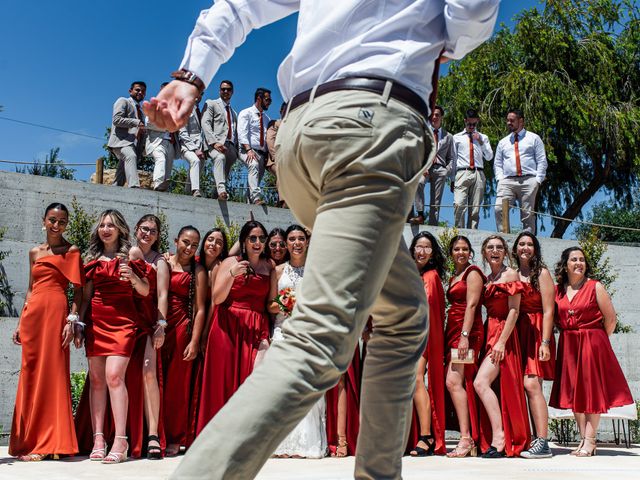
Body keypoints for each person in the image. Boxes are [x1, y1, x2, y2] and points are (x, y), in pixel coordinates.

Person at [143, 2, 499, 478]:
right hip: (370, 128)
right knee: (322, 335)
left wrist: (192, 73)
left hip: (299, 142)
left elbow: (239, 6)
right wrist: (450, 39)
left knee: (405, 313)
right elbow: (468, 15)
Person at [9, 203, 84, 461]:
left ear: (66, 224)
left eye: (62, 221)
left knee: (52, 375)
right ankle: (29, 440)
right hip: (34, 317)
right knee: (30, 375)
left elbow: (79, 291)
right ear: (44, 220)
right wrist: (20, 322)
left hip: (56, 314)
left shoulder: (71, 250)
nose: (56, 225)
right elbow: (30, 290)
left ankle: (50, 442)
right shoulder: (34, 252)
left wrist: (71, 320)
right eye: (52, 220)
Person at [78, 209, 150, 464]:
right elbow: (85, 297)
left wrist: (132, 278)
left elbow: (145, 290)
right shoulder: (92, 257)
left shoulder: (131, 254)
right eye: (102, 225)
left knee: (114, 376)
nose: (105, 229)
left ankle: (121, 441)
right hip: (96, 321)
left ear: (120, 229)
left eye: (111, 225)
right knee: (97, 380)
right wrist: (78, 322)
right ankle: (99, 439)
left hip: (123, 322)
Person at [549, 247, 633, 457]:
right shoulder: (558, 290)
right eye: (574, 259)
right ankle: (583, 439)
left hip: (592, 342)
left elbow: (611, 319)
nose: (579, 263)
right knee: (574, 393)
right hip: (568, 343)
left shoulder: (595, 286)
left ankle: (591, 440)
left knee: (591, 393)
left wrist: (597, 342)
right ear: (565, 264)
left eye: (582, 260)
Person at [196, 221, 273, 436]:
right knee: (222, 381)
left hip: (256, 326)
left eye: (261, 239)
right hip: (226, 325)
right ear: (244, 242)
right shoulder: (230, 261)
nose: (257, 243)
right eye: (253, 238)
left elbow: (270, 303)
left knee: (251, 382)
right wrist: (232, 274)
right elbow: (218, 298)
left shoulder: (269, 266)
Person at [268, 225, 327, 458]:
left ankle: (306, 444)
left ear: (307, 241)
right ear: (286, 243)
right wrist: (287, 303)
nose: (296, 243)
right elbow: (270, 305)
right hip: (283, 332)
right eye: (291, 239)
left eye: (301, 238)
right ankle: (281, 443)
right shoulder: (278, 270)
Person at [474, 235, 530, 458]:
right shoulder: (488, 278)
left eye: (499, 247)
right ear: (485, 253)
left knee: (481, 382)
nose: (494, 250)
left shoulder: (510, 274)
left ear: (505, 252)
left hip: (503, 334)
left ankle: (500, 437)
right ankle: (497, 435)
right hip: (490, 330)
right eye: (490, 248)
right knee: (489, 385)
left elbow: (514, 310)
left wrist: (501, 341)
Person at [162, 226, 207, 456]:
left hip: (182, 328)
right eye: (186, 242)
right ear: (176, 240)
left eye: (194, 244)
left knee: (177, 386)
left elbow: (200, 309)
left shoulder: (197, 270)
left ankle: (175, 436)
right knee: (157, 382)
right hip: (159, 326)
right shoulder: (164, 262)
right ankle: (155, 434)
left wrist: (195, 340)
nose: (189, 248)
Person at [512, 232, 555, 459]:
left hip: (537, 331)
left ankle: (543, 441)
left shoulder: (542, 273)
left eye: (529, 244)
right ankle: (528, 437)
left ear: (535, 249)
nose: (525, 247)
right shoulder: (513, 273)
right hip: (517, 331)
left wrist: (546, 342)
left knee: (532, 385)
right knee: (519, 386)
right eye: (521, 244)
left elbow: (549, 310)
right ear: (516, 248)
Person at [131, 215, 170, 459]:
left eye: (153, 231)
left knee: (148, 372)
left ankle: (153, 434)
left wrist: (161, 325)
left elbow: (163, 295)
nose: (148, 234)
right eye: (144, 229)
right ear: (136, 230)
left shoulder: (160, 261)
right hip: (123, 318)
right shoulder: (126, 253)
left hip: (147, 319)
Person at [406, 232, 447, 456]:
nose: (422, 251)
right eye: (418, 247)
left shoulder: (430, 277)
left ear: (432, 254)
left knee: (416, 380)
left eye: (427, 248)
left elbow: (428, 312)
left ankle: (426, 435)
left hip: (420, 338)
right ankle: (411, 435)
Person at [444, 235, 485, 458]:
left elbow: (471, 305)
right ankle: (469, 437)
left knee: (453, 381)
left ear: (470, 252)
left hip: (466, 332)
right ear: (451, 253)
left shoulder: (473, 273)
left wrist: (465, 336)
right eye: (457, 249)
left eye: (465, 249)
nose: (461, 252)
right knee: (458, 382)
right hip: (453, 331)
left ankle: (466, 437)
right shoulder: (454, 276)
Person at [494, 109, 547, 233]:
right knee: (499, 208)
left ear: (521, 121)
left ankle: (528, 242)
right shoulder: (503, 142)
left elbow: (542, 160)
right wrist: (500, 179)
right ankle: (504, 238)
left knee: (527, 214)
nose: (508, 123)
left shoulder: (534, 138)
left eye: (512, 120)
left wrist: (537, 180)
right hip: (507, 181)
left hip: (529, 180)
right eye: (507, 120)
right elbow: (497, 163)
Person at [409, 105, 454, 226]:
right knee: (419, 183)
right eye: (432, 115)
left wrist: (447, 171)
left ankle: (433, 225)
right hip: (425, 168)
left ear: (441, 117)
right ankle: (420, 215)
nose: (434, 117)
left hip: (440, 168)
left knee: (436, 201)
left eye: (437, 115)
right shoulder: (423, 132)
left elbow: (451, 158)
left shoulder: (448, 136)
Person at [452, 109, 493, 229]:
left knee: (475, 208)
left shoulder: (483, 138)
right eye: (469, 124)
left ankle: (472, 234)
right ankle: (459, 234)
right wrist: (452, 179)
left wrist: (480, 141)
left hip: (478, 172)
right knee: (459, 205)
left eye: (474, 124)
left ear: (477, 122)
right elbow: (454, 159)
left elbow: (489, 157)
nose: (471, 126)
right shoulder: (456, 138)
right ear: (465, 121)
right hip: (462, 172)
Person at [201, 80, 238, 201]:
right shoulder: (211, 103)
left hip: (230, 146)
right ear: (219, 91)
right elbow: (205, 123)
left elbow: (233, 129)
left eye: (228, 89)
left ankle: (215, 194)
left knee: (225, 172)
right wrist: (214, 142)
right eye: (223, 89)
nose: (225, 91)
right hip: (214, 144)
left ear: (232, 92)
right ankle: (222, 190)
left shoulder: (234, 113)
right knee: (219, 158)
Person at [107, 81, 146, 187]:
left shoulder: (142, 111)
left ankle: (114, 190)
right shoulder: (123, 101)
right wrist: (136, 122)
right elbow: (116, 120)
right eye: (137, 90)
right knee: (130, 156)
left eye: (143, 91)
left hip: (134, 145)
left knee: (121, 173)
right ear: (130, 91)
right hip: (121, 141)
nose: (140, 92)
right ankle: (134, 187)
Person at [237, 88, 272, 205]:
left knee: (255, 181)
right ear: (259, 98)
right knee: (253, 165)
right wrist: (248, 150)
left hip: (262, 154)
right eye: (267, 99)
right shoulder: (246, 113)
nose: (269, 102)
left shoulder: (267, 119)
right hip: (246, 150)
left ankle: (249, 205)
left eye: (270, 100)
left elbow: (267, 138)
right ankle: (256, 198)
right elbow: (242, 132)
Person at [147, 83, 179, 192]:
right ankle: (157, 183)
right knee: (160, 159)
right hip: (157, 141)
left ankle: (163, 188)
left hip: (171, 142)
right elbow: (149, 123)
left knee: (168, 166)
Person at [178, 97, 206, 197]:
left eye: (201, 93)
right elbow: (182, 132)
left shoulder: (201, 110)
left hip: (200, 146)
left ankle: (187, 191)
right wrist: (194, 149)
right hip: (186, 146)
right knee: (195, 161)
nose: (199, 95)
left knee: (197, 168)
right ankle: (196, 190)